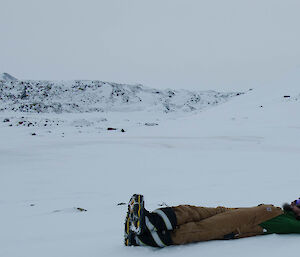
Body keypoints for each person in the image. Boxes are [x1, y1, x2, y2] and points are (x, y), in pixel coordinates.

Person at [124, 194, 300, 247]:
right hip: (231, 212)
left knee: (195, 230)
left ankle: (138, 238)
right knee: (192, 211)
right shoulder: (281, 210)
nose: (294, 201)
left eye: (299, 203)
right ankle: (149, 220)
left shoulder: (289, 223)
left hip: (237, 225)